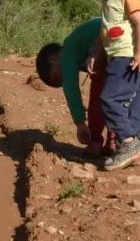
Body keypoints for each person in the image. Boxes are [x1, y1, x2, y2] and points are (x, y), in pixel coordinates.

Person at [89, 0, 140, 171]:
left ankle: (128, 142)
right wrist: (96, 53)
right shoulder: (107, 3)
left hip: (129, 59)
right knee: (133, 106)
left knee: (110, 99)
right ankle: (138, 150)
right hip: (121, 59)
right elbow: (103, 33)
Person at [35, 18, 115, 157]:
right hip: (120, 41)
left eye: (59, 77)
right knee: (115, 96)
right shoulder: (77, 48)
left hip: (107, 41)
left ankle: (95, 141)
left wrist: (79, 122)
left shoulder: (68, 50)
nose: (64, 79)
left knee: (97, 96)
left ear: (53, 59)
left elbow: (71, 87)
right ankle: (113, 139)